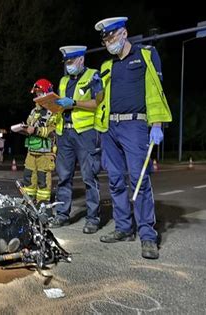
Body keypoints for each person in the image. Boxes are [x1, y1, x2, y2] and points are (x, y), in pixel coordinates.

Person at [94, 17, 172, 259]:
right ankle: (124, 228)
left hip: (135, 125)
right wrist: (97, 89)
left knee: (139, 180)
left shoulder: (145, 55)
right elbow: (100, 100)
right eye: (105, 39)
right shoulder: (108, 66)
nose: (109, 42)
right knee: (116, 180)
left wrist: (156, 124)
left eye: (112, 37)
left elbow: (155, 90)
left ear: (124, 33)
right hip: (110, 128)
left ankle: (148, 235)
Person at [50, 46, 102, 233]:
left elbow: (98, 102)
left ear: (81, 59)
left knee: (90, 177)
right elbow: (60, 105)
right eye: (66, 62)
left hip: (86, 133)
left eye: (71, 61)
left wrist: (74, 103)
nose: (68, 65)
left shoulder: (93, 76)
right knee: (64, 177)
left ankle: (93, 218)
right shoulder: (63, 81)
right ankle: (62, 215)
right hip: (65, 133)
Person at [22, 78, 56, 204]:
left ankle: (43, 204)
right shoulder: (34, 111)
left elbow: (53, 131)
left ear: (47, 94)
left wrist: (36, 131)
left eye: (40, 94)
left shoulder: (53, 111)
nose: (37, 97)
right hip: (32, 151)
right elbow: (29, 124)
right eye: (36, 95)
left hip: (45, 153)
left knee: (43, 180)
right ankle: (28, 201)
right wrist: (24, 129)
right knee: (28, 177)